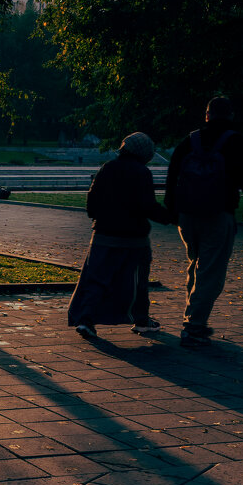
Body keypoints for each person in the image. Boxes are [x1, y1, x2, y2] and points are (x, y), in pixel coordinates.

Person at [164, 96, 243, 348]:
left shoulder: (190, 140)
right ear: (230, 115)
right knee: (211, 272)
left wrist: (173, 208)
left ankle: (192, 316)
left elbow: (172, 174)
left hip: (187, 215)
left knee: (195, 265)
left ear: (207, 115)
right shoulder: (236, 142)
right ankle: (193, 326)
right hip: (218, 214)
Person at [69, 132, 172, 341]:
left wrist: (97, 217)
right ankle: (141, 320)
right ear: (144, 153)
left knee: (96, 279)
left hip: (102, 235)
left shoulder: (107, 167)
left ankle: (86, 320)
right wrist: (170, 217)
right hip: (133, 239)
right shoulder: (142, 172)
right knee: (137, 282)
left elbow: (92, 198)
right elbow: (147, 206)